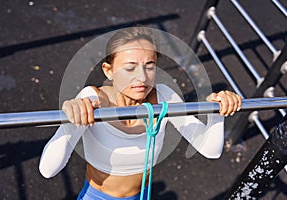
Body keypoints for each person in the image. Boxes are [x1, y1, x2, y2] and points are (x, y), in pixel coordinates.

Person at [39, 27, 242, 200]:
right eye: (130, 68)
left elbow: (210, 150)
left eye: (150, 66)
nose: (142, 77)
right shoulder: (92, 100)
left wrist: (217, 112)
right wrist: (70, 122)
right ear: (108, 71)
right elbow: (48, 170)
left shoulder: (163, 97)